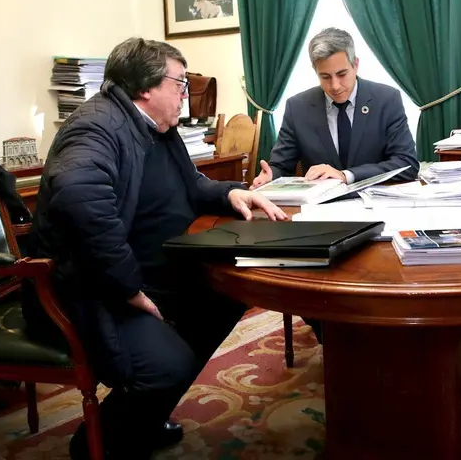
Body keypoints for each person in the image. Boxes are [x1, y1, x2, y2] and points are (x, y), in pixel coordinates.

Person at [22, 37, 286, 460]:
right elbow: (78, 196)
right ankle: (98, 445)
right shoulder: (96, 126)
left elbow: (191, 182)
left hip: (160, 272)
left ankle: (143, 419)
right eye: (180, 84)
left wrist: (229, 193)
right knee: (167, 364)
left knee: (229, 294)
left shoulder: (158, 128)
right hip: (95, 290)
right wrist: (129, 288)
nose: (185, 94)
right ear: (145, 87)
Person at [251, 27, 420, 189]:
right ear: (315, 71)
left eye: (342, 74)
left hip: (375, 201)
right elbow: (280, 166)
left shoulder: (387, 100)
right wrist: (270, 176)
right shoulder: (297, 108)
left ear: (355, 65)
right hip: (319, 206)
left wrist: (346, 175)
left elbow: (407, 164)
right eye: (325, 77)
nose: (335, 86)